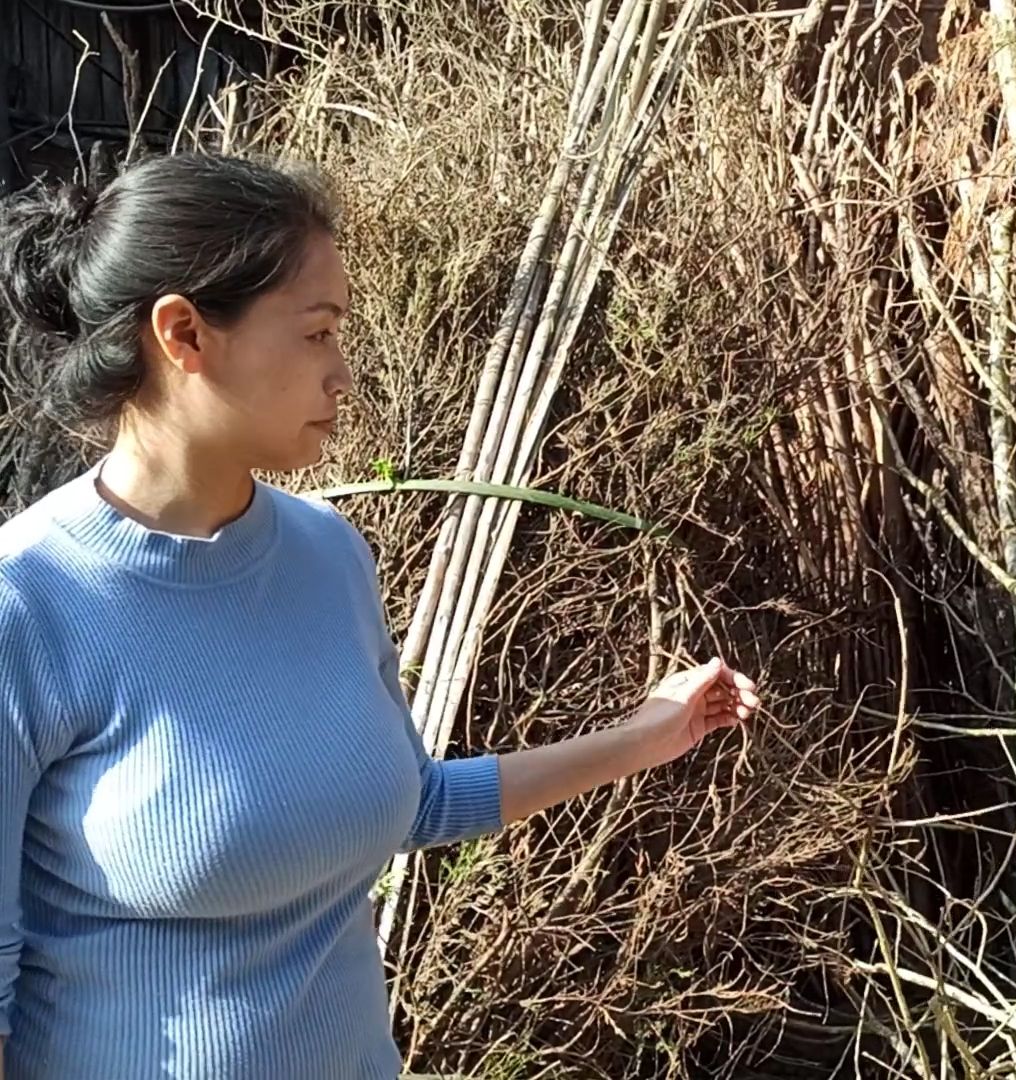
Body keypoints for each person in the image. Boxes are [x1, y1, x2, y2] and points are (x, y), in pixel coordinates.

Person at [0, 152, 759, 1078]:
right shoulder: (29, 602)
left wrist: (645, 736)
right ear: (185, 333)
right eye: (317, 333)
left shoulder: (326, 554)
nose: (344, 372)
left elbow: (406, 799)